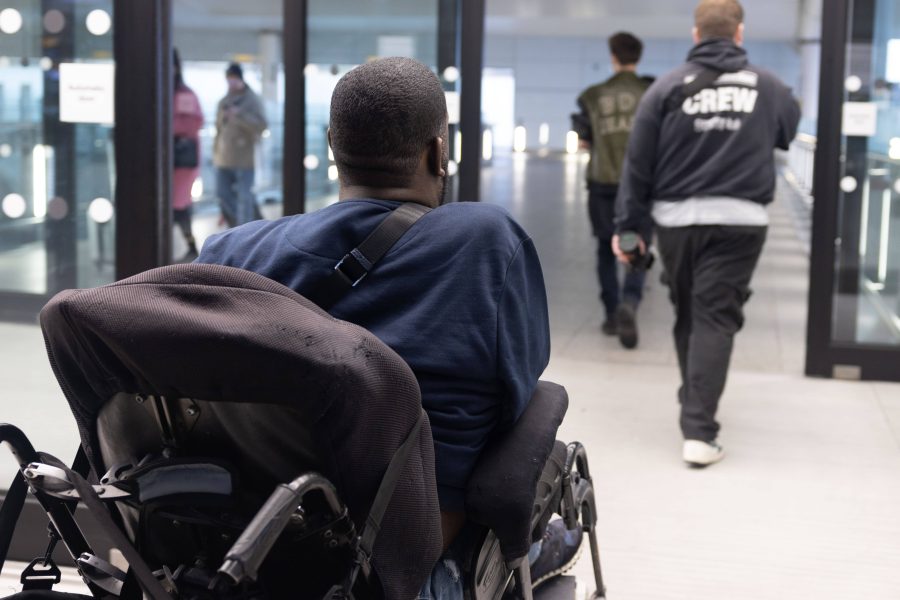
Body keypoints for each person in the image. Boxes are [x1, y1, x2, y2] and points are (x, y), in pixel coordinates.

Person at [196, 57, 579, 597]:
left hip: (259, 550)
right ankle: (535, 552)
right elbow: (514, 394)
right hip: (407, 567)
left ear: (333, 146)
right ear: (438, 151)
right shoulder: (486, 243)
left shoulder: (233, 251)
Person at [614, 0, 800, 467]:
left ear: (697, 35)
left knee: (690, 312)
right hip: (741, 223)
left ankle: (696, 411)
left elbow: (639, 163)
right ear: (739, 34)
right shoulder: (772, 87)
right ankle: (698, 423)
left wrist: (629, 226)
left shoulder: (667, 88)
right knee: (714, 316)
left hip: (676, 222)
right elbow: (786, 132)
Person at [574, 32, 652, 349]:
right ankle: (630, 304)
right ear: (638, 57)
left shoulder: (592, 96)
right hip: (639, 188)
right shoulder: (651, 93)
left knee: (606, 250)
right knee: (636, 248)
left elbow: (583, 141)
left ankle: (610, 314)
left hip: (603, 187)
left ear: (613, 57)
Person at [213, 62, 267, 227]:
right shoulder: (224, 101)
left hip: (244, 158)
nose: (231, 83)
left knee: (245, 198)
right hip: (222, 157)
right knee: (222, 194)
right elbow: (218, 128)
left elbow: (262, 125)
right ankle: (238, 227)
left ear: (241, 79)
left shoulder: (252, 100)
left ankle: (245, 232)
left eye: (234, 79)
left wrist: (239, 116)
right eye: (229, 79)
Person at [172, 49, 204, 262]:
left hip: (182, 158)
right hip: (172, 155)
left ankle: (191, 245)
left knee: (179, 203)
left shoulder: (185, 94)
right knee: (177, 204)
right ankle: (189, 244)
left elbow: (196, 122)